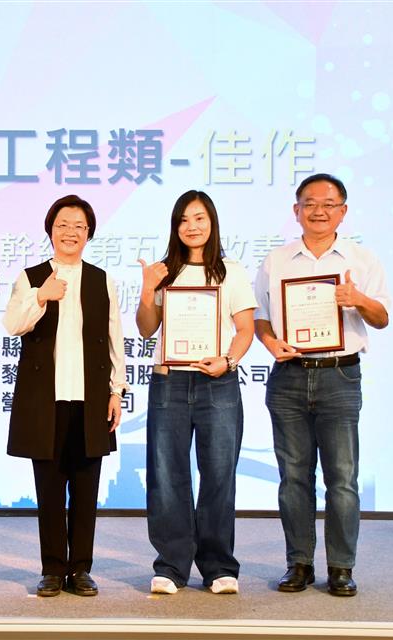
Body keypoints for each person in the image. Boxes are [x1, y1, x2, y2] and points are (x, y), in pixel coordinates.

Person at [253, 173, 390, 597]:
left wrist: (358, 300)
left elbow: (382, 318)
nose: (319, 211)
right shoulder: (276, 260)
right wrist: (270, 342)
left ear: (343, 212)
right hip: (290, 376)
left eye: (328, 204)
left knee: (342, 478)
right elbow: (260, 316)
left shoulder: (361, 259)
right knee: (293, 477)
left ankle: (341, 567)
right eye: (309, 203)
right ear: (296, 211)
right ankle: (299, 564)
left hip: (339, 375)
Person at [3, 195, 128, 597]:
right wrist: (41, 296)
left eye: (78, 226)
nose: (70, 232)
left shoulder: (101, 279)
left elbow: (114, 338)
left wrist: (117, 390)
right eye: (62, 225)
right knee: (50, 490)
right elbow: (12, 324)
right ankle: (53, 569)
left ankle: (81, 569)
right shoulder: (31, 277)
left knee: (87, 490)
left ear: (88, 233)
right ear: (50, 230)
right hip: (47, 401)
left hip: (90, 400)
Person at [136, 190, 256, 595]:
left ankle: (219, 566)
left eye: (199, 218)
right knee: (167, 475)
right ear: (175, 227)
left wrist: (229, 360)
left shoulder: (230, 271)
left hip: (217, 382)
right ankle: (171, 566)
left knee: (219, 474)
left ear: (212, 222)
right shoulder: (164, 272)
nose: (192, 226)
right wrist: (147, 289)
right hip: (169, 381)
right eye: (184, 219)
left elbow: (245, 329)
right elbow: (146, 328)